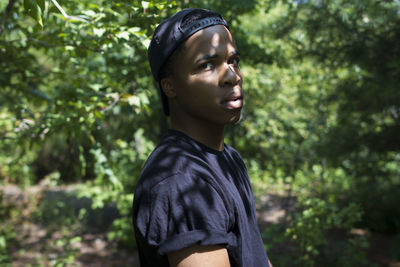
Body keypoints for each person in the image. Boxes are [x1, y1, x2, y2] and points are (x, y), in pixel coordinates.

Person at [132, 8, 272, 267]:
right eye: (207, 65)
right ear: (170, 86)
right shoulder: (182, 182)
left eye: (233, 60)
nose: (233, 76)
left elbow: (256, 256)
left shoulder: (229, 157)